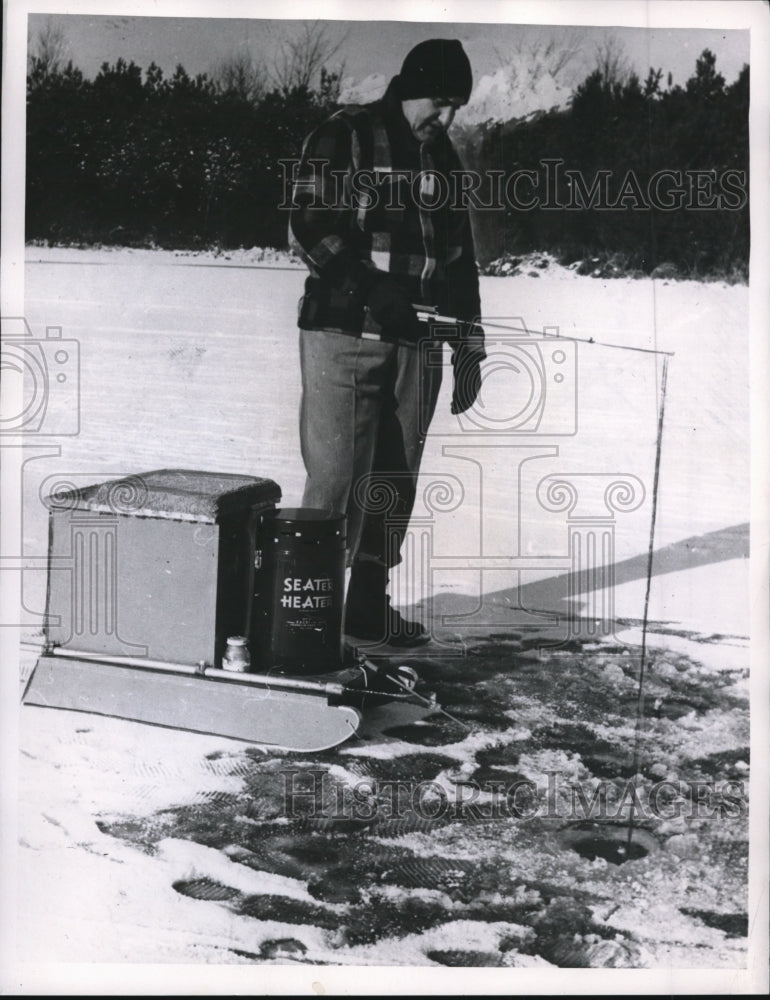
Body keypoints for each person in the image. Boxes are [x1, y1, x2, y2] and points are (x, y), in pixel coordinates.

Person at [289, 38, 485, 646]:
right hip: (344, 336)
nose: (447, 118)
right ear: (408, 87)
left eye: (457, 107)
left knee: (394, 479)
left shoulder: (443, 157)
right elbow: (308, 225)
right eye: (440, 103)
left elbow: (459, 257)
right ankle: (304, 617)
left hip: (416, 345)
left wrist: (469, 338)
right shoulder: (346, 134)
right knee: (337, 479)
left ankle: (367, 605)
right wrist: (373, 289)